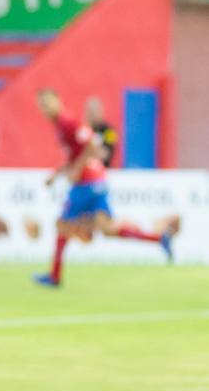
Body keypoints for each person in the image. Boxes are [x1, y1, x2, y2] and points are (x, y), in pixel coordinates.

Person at [33, 88, 177, 288]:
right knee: (108, 229)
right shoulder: (60, 126)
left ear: (58, 101)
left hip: (87, 183)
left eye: (48, 103)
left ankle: (55, 276)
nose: (45, 108)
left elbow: (92, 145)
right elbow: (75, 156)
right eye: (41, 105)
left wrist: (76, 169)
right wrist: (55, 176)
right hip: (96, 181)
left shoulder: (68, 122)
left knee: (62, 225)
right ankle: (159, 238)